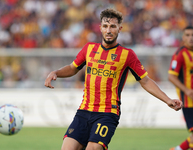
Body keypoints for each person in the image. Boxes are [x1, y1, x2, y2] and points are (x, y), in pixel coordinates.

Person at [45, 8, 182, 150]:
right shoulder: (89, 48)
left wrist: (168, 100)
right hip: (84, 111)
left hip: (107, 113)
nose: (108, 30)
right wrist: (56, 72)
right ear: (100, 28)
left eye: (112, 26)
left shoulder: (127, 55)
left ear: (119, 29)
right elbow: (73, 68)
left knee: (93, 148)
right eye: (105, 26)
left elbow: (145, 81)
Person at [168, 26, 193, 150]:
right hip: (189, 102)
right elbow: (171, 77)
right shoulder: (180, 54)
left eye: (192, 35)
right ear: (183, 38)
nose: (191, 38)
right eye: (187, 35)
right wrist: (187, 90)